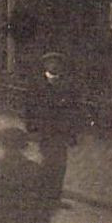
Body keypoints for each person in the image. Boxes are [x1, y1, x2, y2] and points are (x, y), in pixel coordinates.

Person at [24, 51, 86, 210]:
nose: (54, 65)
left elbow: (74, 110)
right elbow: (29, 107)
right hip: (44, 131)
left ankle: (54, 198)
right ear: (45, 65)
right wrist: (31, 129)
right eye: (50, 62)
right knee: (48, 163)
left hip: (61, 133)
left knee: (60, 166)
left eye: (57, 62)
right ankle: (42, 197)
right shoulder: (36, 83)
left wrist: (72, 134)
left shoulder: (67, 84)